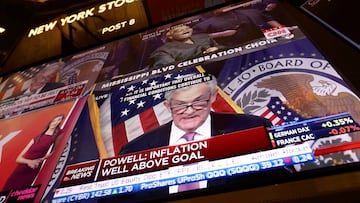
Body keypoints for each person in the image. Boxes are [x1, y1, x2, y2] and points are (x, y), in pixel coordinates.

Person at [119, 74, 276, 195]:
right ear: (168, 106)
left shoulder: (252, 127)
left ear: (212, 97)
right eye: (180, 105)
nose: (189, 111)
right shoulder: (134, 149)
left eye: (198, 102)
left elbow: (275, 183)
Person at [2, 114, 65, 191]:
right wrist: (30, 162)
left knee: (23, 192)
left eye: (58, 120)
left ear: (61, 122)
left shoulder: (59, 133)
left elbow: (55, 151)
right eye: (54, 120)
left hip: (34, 167)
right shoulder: (36, 138)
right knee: (8, 190)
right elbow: (18, 159)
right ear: (50, 122)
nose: (55, 122)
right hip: (22, 168)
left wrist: (41, 159)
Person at [149, 25, 221, 68]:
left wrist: (217, 49)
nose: (184, 30)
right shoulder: (163, 50)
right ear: (170, 36)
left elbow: (223, 47)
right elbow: (169, 69)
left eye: (187, 28)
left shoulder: (204, 37)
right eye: (179, 30)